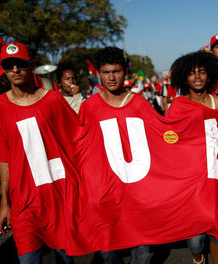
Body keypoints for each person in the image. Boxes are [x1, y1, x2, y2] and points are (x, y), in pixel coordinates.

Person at [0, 41, 78, 264]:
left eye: (20, 64)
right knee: (28, 260)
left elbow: (78, 141)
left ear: (30, 66)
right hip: (24, 203)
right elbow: (3, 159)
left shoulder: (53, 100)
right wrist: (4, 203)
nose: (15, 70)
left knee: (66, 259)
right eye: (9, 66)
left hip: (59, 197)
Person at [78, 47, 150, 264]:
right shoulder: (89, 107)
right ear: (98, 74)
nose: (111, 77)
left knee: (142, 251)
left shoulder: (140, 103)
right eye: (106, 72)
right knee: (108, 253)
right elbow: (80, 149)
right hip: (105, 193)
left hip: (138, 192)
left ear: (125, 71)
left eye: (116, 71)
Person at [167, 51, 218, 264]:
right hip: (191, 179)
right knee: (194, 239)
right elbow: (168, 142)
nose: (198, 77)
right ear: (184, 78)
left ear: (209, 74)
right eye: (192, 73)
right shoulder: (177, 107)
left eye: (202, 72)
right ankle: (198, 258)